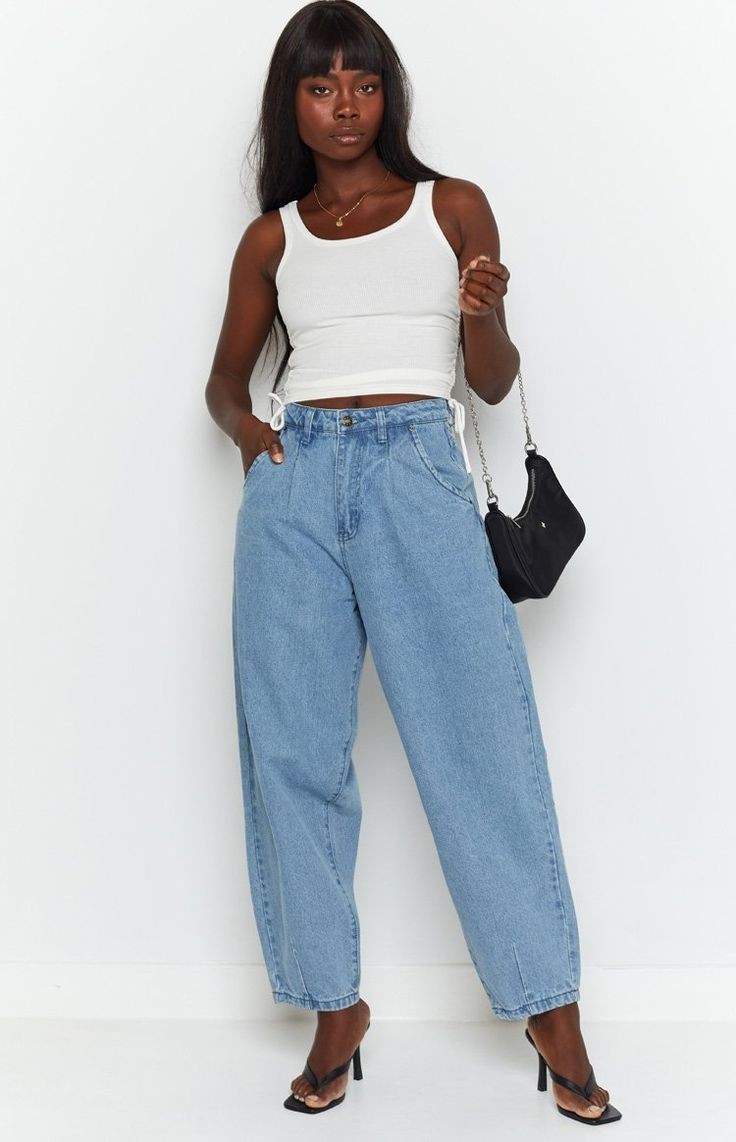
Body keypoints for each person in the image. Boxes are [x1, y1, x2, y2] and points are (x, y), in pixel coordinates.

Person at [205, 0, 621, 1125]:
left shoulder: (451, 205)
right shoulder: (273, 238)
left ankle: (550, 1008)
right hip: (295, 487)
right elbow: (223, 383)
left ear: (388, 95)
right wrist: (255, 441)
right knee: (293, 754)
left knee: (478, 744)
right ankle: (333, 1006)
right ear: (291, 104)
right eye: (320, 85)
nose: (344, 105)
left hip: (418, 474)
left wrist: (482, 312)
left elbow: (489, 381)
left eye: (364, 82)